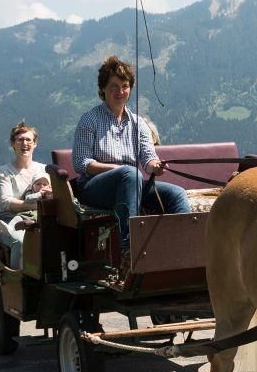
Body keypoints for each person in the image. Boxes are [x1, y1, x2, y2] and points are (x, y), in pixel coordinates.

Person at [72, 55, 189, 257]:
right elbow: (81, 163)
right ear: (103, 89)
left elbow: (148, 157)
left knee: (176, 193)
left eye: (125, 86)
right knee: (131, 175)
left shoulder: (138, 123)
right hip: (94, 187)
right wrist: (119, 170)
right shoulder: (89, 119)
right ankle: (130, 246)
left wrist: (155, 166)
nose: (120, 91)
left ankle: (183, 246)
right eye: (114, 86)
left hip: (131, 182)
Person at [0, 120, 51, 269]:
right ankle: (17, 281)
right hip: (11, 221)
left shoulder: (44, 170)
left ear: (35, 144)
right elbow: (6, 203)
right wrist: (32, 204)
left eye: (28, 140)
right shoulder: (4, 172)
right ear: (13, 144)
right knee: (20, 242)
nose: (24, 143)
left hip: (39, 220)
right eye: (20, 140)